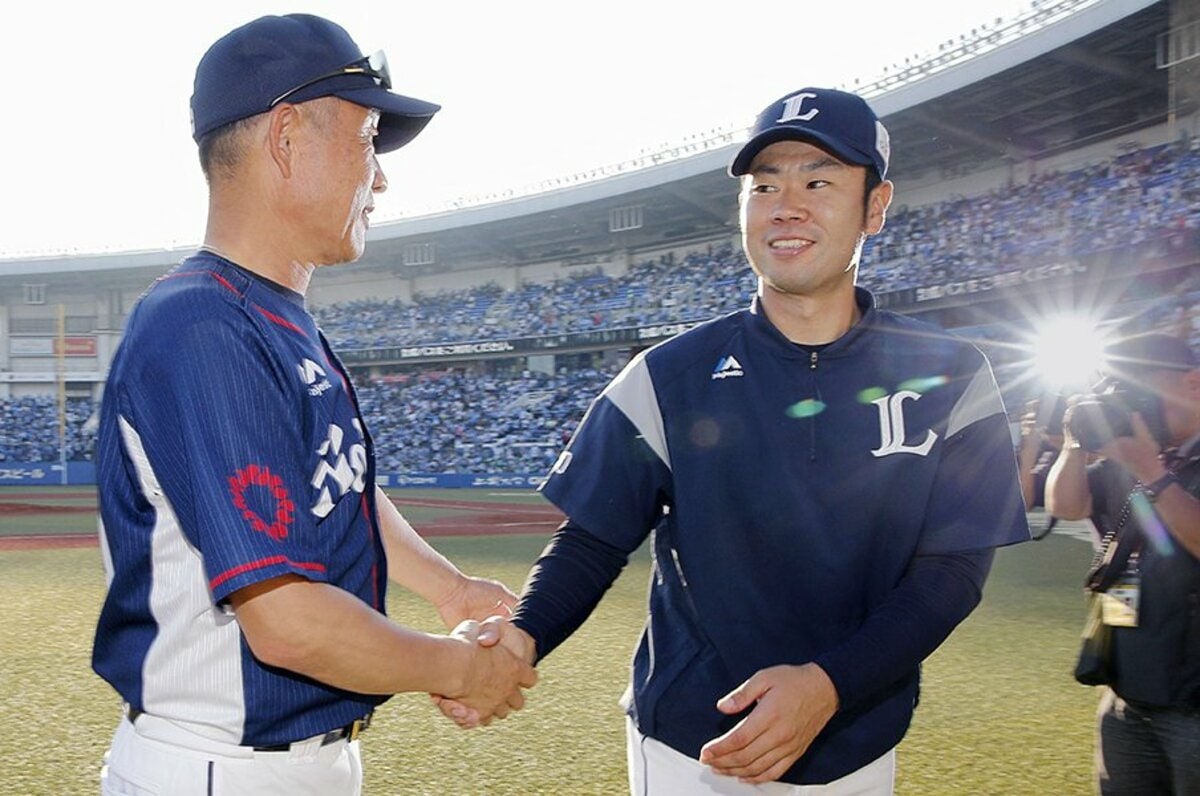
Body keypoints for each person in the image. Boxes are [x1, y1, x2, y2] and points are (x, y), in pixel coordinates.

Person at [444, 87, 1031, 793]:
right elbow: (593, 540)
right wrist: (521, 637)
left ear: (875, 207)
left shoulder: (953, 374)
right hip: (694, 748)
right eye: (764, 186)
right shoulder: (667, 375)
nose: (787, 205)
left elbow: (953, 572)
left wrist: (829, 686)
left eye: (819, 181)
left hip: (856, 742)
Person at [91, 14, 535, 796]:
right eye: (368, 139)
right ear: (287, 135)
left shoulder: (270, 313)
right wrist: (461, 668)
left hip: (297, 762)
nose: (383, 176)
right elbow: (289, 624)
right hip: (218, 768)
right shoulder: (199, 325)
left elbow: (335, 483)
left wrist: (449, 588)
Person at [1045, 333, 1200, 795]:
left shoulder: (1146, 461)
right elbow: (1067, 505)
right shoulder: (1128, 457)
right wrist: (1076, 445)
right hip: (1127, 692)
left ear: (1192, 383)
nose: (1129, 411)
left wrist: (1154, 474)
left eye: (1138, 395)